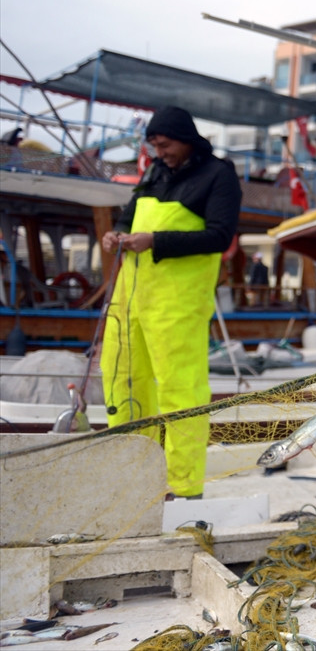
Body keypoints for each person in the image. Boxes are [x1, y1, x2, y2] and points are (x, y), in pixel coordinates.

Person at [101, 106, 241, 500]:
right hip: (130, 297)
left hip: (178, 303)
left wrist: (156, 241)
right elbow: (129, 218)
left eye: (166, 145)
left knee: (181, 392)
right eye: (155, 146)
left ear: (186, 139)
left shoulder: (218, 175)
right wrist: (117, 234)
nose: (161, 153)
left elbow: (220, 236)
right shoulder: (155, 172)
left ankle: (184, 487)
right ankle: (132, 479)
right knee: (122, 380)